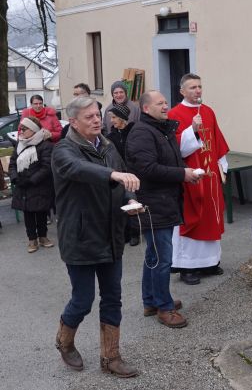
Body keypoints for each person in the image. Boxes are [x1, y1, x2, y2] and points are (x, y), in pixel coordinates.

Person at [51, 96, 140, 377]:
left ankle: (111, 357)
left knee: (113, 297)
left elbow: (124, 180)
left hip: (111, 234)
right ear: (73, 122)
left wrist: (131, 199)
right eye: (88, 116)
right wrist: (113, 174)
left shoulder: (109, 146)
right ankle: (64, 341)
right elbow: (80, 170)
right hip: (80, 236)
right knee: (83, 299)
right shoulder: (64, 150)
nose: (95, 120)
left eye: (97, 115)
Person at [125, 91, 200, 328]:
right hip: (153, 203)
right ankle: (164, 308)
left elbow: (169, 160)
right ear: (146, 109)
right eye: (160, 103)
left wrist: (185, 174)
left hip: (164, 201)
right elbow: (147, 169)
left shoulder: (159, 129)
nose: (166, 106)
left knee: (154, 255)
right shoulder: (141, 133)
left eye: (166, 102)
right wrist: (182, 174)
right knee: (162, 258)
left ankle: (151, 301)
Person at [167, 74, 230, 285]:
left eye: (200, 86)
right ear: (182, 91)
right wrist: (191, 130)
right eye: (193, 87)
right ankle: (188, 266)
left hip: (211, 176)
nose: (198, 91)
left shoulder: (208, 111)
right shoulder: (174, 114)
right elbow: (176, 149)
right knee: (192, 219)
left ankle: (210, 262)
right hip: (190, 177)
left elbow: (217, 138)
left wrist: (222, 162)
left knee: (211, 217)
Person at [9, 117, 55, 253]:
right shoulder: (20, 144)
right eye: (20, 129)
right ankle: (32, 239)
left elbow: (46, 168)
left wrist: (31, 180)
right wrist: (15, 178)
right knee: (28, 214)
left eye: (24, 129)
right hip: (22, 187)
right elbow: (12, 163)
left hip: (39, 186)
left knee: (41, 212)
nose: (21, 131)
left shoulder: (45, 145)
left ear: (33, 130)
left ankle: (43, 236)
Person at [106, 103, 140, 247]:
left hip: (134, 171)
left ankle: (135, 233)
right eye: (111, 118)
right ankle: (124, 233)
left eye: (114, 117)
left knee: (133, 202)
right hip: (119, 173)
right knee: (122, 202)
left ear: (122, 118)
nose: (112, 121)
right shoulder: (110, 136)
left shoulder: (134, 131)